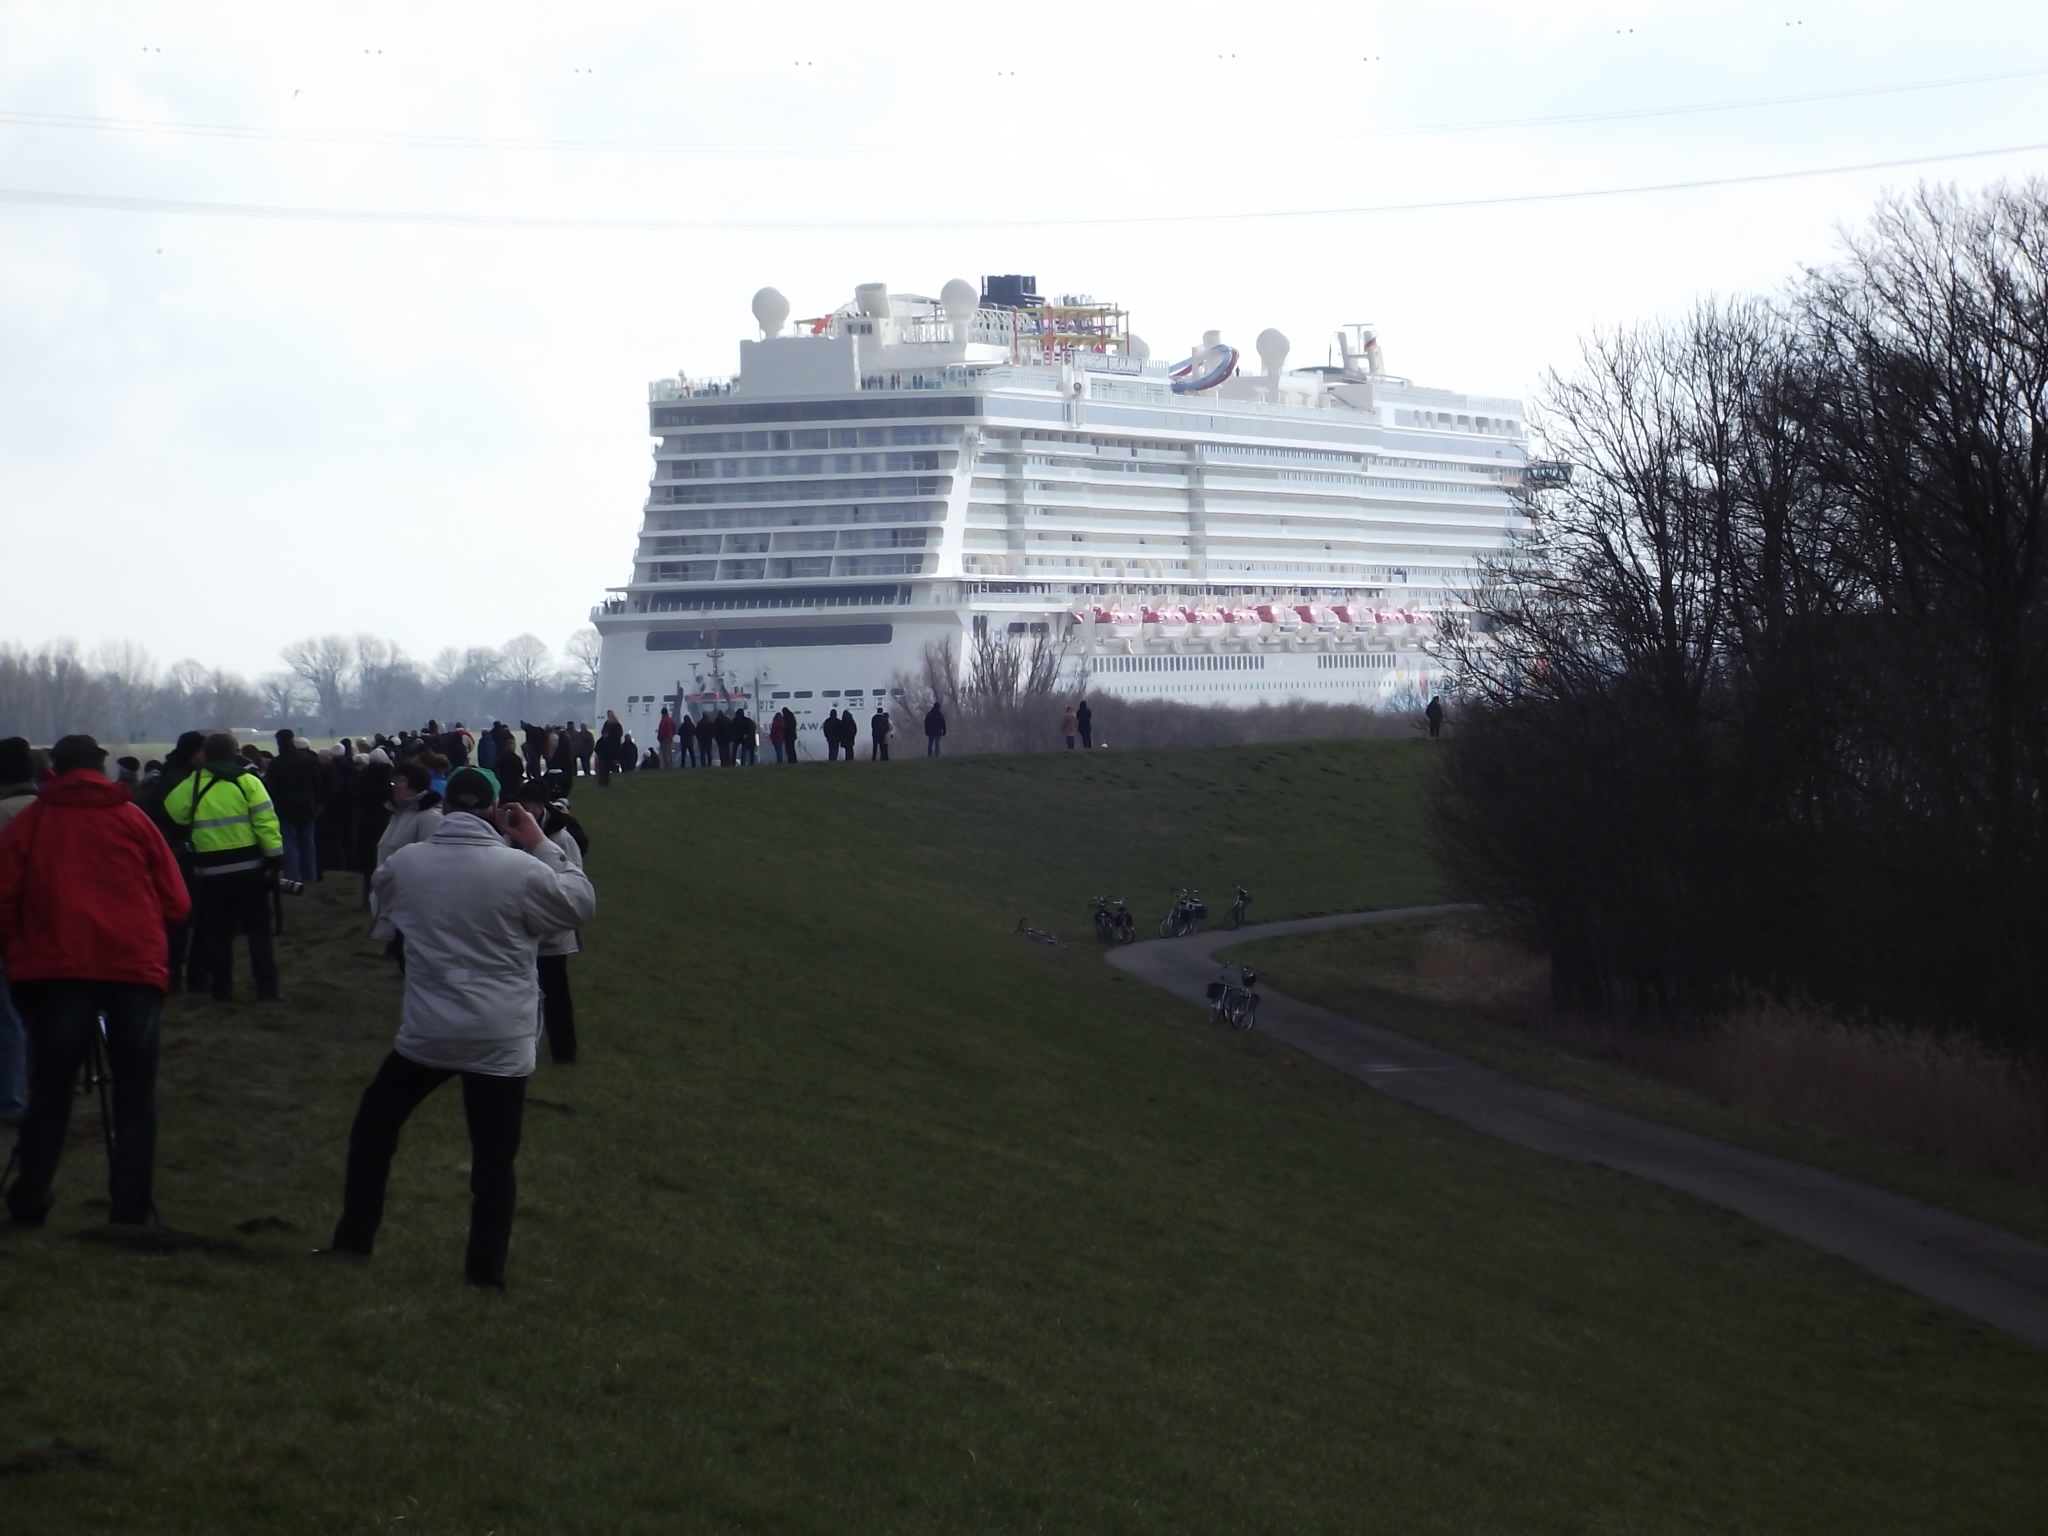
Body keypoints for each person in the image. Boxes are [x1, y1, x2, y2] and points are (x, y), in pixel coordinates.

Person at [323, 766, 595, 1288]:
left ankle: (354, 1239)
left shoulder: (407, 864)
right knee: (494, 1158)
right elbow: (578, 906)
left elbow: (386, 901)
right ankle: (484, 1273)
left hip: (429, 1030)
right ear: (497, 810)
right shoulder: (519, 869)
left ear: (443, 808)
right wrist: (540, 844)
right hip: (501, 1034)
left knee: (375, 1126)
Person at [0, 734, 191, 1228]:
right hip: (131, 967)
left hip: (55, 969)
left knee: (51, 1089)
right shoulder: (134, 821)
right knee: (135, 1090)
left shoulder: (30, 825)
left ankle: (30, 1200)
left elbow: (4, 900)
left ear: (55, 771)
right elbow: (177, 902)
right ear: (101, 768)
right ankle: (129, 1208)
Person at [161, 733, 283, 1003]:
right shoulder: (248, 782)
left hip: (210, 871)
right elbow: (266, 823)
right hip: (251, 869)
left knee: (218, 934)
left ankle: (221, 989)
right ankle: (267, 988)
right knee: (259, 931)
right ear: (233, 753)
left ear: (206, 754)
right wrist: (275, 859)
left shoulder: (193, 785)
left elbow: (173, 810)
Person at [513, 781, 589, 1067]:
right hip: (523, 925)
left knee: (556, 993)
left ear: (541, 806)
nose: (525, 811)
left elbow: (574, 878)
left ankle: (564, 1053)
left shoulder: (562, 838)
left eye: (529, 805)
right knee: (524, 992)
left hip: (553, 931)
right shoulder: (515, 832)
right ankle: (524, 1047)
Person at [0, 737, 37, 1125]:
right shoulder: (47, 810)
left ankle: (10, 1099)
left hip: (9, 927)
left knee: (7, 1020)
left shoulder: (4, 813)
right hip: (48, 928)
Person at [267, 729, 323, 885]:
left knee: (289, 844)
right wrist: (317, 803)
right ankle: (310, 876)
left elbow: (271, 787)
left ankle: (294, 878)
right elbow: (317, 783)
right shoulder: (308, 759)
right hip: (308, 806)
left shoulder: (276, 763)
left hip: (285, 808)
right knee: (308, 843)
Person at [596, 710, 623, 787]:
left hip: (612, 748)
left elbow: (618, 736)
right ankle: (603, 782)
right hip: (605, 749)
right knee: (603, 767)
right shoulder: (607, 724)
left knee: (612, 766)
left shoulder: (617, 726)